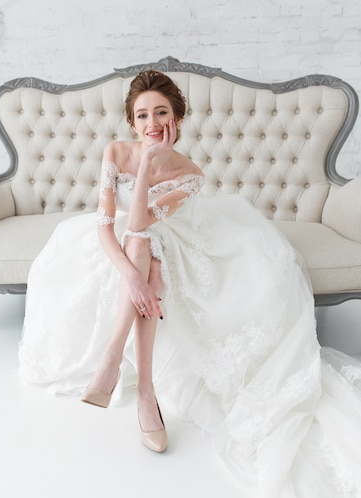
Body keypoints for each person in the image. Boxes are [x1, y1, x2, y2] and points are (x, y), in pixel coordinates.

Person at [19, 71, 361, 496]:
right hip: (119, 246)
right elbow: (107, 227)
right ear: (131, 122)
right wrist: (132, 278)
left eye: (161, 112)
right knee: (144, 259)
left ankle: (119, 366)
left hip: (173, 236)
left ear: (177, 117)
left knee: (145, 244)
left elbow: (142, 219)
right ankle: (142, 389)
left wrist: (147, 162)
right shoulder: (113, 151)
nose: (151, 122)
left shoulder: (190, 172)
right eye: (142, 115)